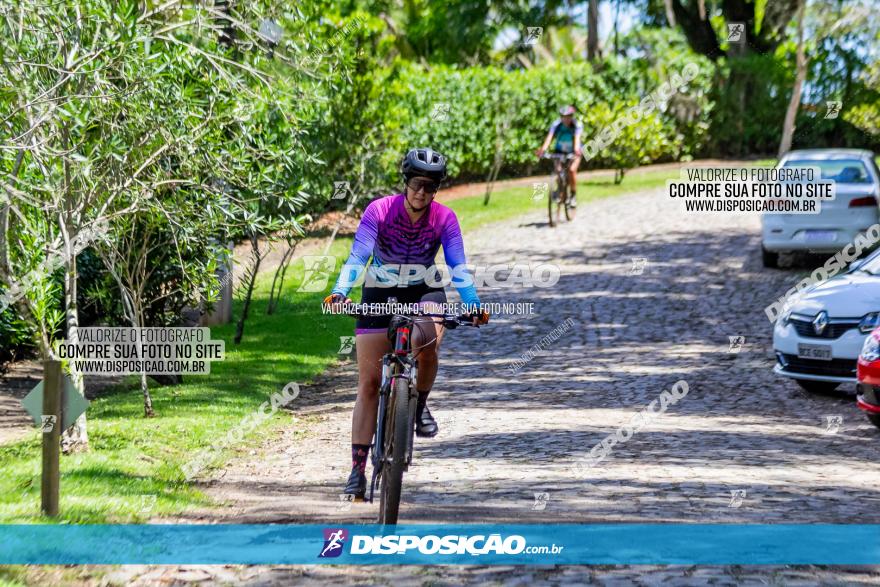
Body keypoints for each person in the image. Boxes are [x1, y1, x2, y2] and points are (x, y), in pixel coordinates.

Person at [323, 147, 489, 498]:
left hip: (424, 287)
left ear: (436, 189)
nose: (421, 193)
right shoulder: (379, 211)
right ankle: (356, 470)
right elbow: (358, 256)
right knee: (368, 384)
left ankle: (420, 405)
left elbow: (458, 267)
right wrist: (339, 292)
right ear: (405, 182)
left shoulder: (444, 218)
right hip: (379, 289)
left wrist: (473, 305)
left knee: (426, 340)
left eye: (430, 187)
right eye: (416, 184)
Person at [536, 105, 583, 207]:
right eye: (563, 116)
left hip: (575, 151)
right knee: (558, 171)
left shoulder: (577, 125)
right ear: (561, 117)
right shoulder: (556, 125)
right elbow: (549, 138)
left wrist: (576, 150)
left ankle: (573, 195)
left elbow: (577, 139)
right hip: (560, 151)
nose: (566, 119)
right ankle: (560, 190)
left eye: (568, 116)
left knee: (571, 170)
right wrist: (543, 150)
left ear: (572, 116)